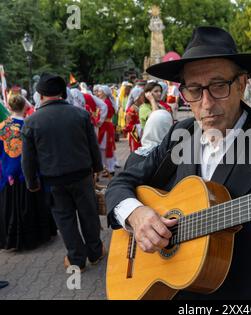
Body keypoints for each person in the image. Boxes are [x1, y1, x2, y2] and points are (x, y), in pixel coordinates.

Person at [105, 26, 251, 299]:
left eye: (218, 86)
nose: (206, 103)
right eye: (194, 89)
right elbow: (120, 183)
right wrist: (136, 215)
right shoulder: (179, 136)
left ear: (241, 84)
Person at [21, 73, 106, 272]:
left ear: (40, 95)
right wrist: (97, 168)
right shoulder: (80, 114)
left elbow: (28, 159)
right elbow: (92, 145)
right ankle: (95, 252)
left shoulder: (32, 121)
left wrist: (31, 183)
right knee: (88, 214)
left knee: (65, 219)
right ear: (62, 93)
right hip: (82, 175)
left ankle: (77, 259)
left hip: (54, 181)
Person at [1, 95, 56, 250]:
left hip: (8, 173)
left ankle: (9, 239)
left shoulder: (1, 126)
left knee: (9, 207)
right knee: (33, 205)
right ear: (25, 107)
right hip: (28, 173)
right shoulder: (29, 125)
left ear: (9, 107)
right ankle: (36, 236)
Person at [124, 87, 145, 152]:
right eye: (142, 95)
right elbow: (128, 126)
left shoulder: (142, 107)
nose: (144, 96)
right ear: (137, 97)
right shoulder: (131, 110)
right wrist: (140, 127)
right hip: (135, 137)